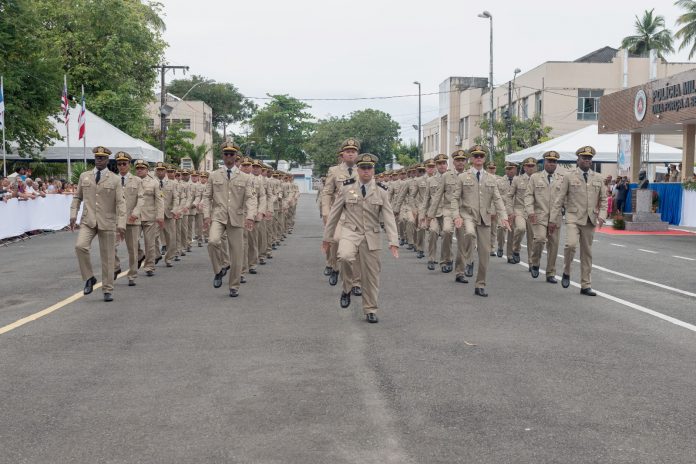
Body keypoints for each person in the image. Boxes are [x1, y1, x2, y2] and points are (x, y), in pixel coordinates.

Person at [322, 153, 399, 323]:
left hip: (371, 235)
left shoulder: (381, 191)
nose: (366, 171)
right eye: (362, 168)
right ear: (357, 169)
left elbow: (389, 218)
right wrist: (327, 238)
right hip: (350, 231)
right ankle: (347, 287)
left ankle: (370, 309)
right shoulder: (346, 188)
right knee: (344, 256)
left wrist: (393, 241)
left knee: (371, 275)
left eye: (369, 168)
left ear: (373, 170)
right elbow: (334, 214)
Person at [451, 145, 510, 296]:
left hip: (485, 218)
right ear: (471, 159)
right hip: (468, 215)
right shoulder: (463, 177)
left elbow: (497, 200)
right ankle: (469, 260)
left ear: (484, 159)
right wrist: (456, 216)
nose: (478, 158)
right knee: (469, 234)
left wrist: (504, 217)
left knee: (485, 253)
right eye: (475, 156)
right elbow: (455, 198)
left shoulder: (491, 178)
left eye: (481, 156)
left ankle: (480, 284)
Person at [549, 145, 608, 296]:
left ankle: (585, 285)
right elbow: (559, 199)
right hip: (573, 217)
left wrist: (602, 215)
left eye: (589, 158)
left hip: (590, 220)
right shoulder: (569, 176)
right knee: (570, 245)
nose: (587, 160)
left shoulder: (598, 178)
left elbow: (603, 199)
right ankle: (567, 271)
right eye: (584, 158)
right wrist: (553, 219)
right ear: (578, 159)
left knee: (587, 253)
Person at [70, 146, 126, 302]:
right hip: (88, 220)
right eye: (97, 158)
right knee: (80, 246)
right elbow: (77, 197)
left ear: (108, 160)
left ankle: (108, 289)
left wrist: (121, 224)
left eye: (102, 158)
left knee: (107, 257)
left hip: (107, 221)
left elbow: (121, 203)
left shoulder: (114, 179)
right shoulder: (85, 176)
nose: (99, 160)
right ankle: (89, 277)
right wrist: (73, 214)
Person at [203, 142, 257, 297]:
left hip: (237, 218)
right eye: (226, 153)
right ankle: (219, 269)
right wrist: (206, 216)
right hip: (218, 217)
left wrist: (250, 216)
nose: (229, 156)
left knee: (237, 254)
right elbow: (207, 197)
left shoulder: (245, 177)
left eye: (231, 154)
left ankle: (234, 285)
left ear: (236, 157)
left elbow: (251, 199)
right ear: (222, 155)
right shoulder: (214, 175)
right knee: (213, 241)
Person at [321, 138, 362, 294]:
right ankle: (334, 266)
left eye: (353, 152)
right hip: (338, 213)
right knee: (336, 239)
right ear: (342, 154)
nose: (351, 154)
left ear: (357, 154)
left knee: (357, 249)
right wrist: (325, 211)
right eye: (348, 152)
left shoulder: (364, 170)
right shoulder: (334, 171)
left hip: (356, 214)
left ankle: (356, 282)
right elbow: (327, 192)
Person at [524, 150, 563, 283]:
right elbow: (528, 195)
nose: (551, 164)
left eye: (554, 161)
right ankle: (535, 262)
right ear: (544, 162)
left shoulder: (562, 178)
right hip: (539, 215)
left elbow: (567, 197)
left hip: (555, 217)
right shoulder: (535, 177)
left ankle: (550, 272)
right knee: (540, 239)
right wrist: (530, 212)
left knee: (553, 246)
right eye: (549, 161)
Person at [113, 151, 144, 287]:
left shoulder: (137, 181)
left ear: (129, 165)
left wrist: (135, 213)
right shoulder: (112, 179)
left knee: (132, 249)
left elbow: (141, 199)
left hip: (132, 220)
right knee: (111, 247)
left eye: (124, 163)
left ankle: (132, 274)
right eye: (119, 164)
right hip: (116, 219)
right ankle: (115, 266)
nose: (121, 166)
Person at [422, 153, 454, 273]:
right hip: (434, 213)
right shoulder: (430, 180)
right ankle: (431, 258)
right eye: (439, 164)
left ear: (447, 164)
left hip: (448, 212)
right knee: (433, 231)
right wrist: (423, 216)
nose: (442, 166)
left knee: (447, 232)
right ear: (436, 166)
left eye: (444, 163)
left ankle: (446, 259)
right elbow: (426, 200)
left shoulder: (453, 177)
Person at [134, 159, 164, 277]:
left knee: (149, 243)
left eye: (142, 168)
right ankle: (140, 255)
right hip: (135, 217)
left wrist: (160, 216)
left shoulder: (154, 183)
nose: (139, 170)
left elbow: (159, 200)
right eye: (137, 168)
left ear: (147, 170)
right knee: (133, 242)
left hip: (149, 216)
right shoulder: (131, 181)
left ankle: (149, 266)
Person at [509, 157, 536, 264]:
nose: (530, 168)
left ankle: (531, 263)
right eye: (528, 166)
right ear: (524, 167)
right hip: (519, 209)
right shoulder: (517, 179)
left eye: (532, 166)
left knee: (532, 239)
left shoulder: (539, 179)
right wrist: (510, 211)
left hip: (533, 211)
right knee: (520, 228)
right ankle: (516, 248)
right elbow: (509, 196)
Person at [495, 162, 517, 258]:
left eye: (511, 168)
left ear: (515, 169)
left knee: (512, 232)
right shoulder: (499, 182)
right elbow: (495, 197)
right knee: (501, 228)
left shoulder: (519, 180)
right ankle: (500, 246)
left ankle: (510, 255)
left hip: (514, 210)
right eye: (507, 169)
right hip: (502, 209)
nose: (509, 170)